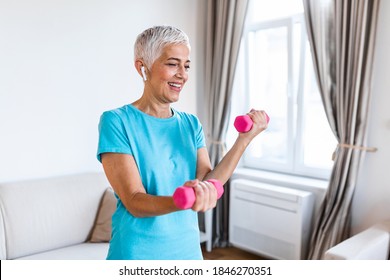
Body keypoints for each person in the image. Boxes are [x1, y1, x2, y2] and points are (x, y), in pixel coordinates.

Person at [97, 25, 268, 260]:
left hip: (188, 251)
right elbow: (135, 201)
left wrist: (243, 140)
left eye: (186, 66)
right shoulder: (116, 121)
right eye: (172, 64)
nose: (183, 74)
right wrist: (184, 200)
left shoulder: (190, 124)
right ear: (142, 67)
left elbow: (208, 182)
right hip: (137, 253)